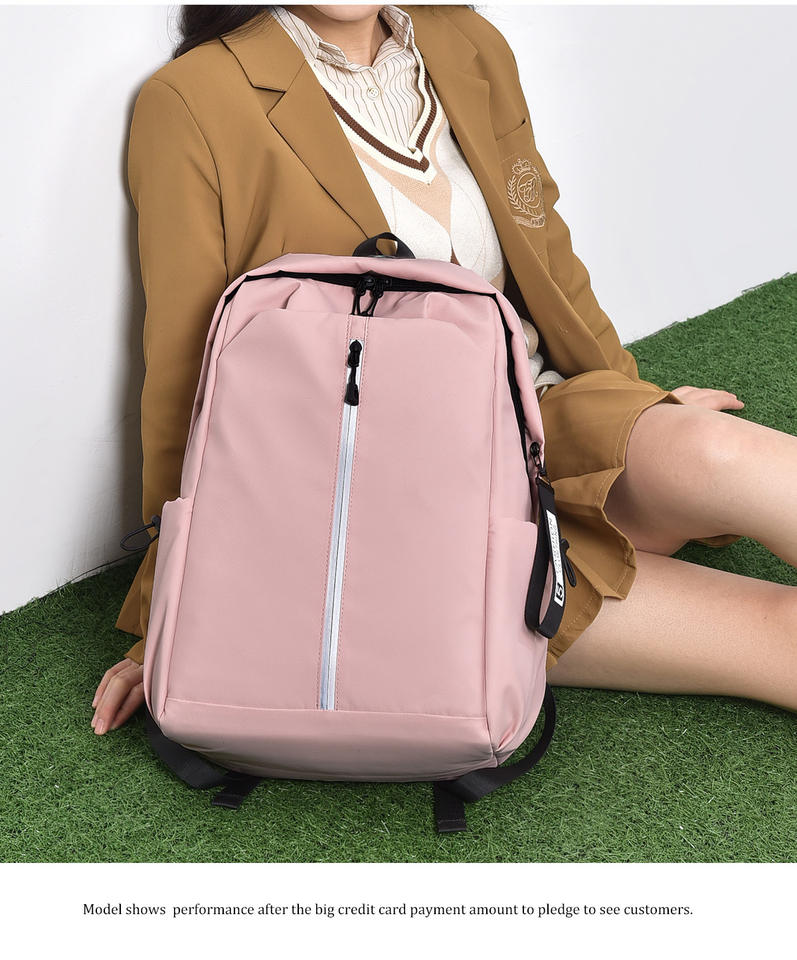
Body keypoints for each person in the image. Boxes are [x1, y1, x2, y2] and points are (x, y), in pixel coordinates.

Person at [91, 4, 797, 736]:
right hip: (391, 513)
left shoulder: (464, 39)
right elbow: (186, 370)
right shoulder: (192, 101)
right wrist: (176, 603)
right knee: (777, 635)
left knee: (715, 451)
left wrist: (638, 404)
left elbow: (546, 254)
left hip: (543, 421)